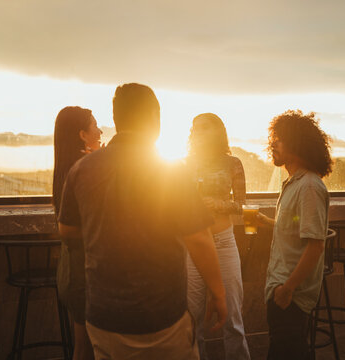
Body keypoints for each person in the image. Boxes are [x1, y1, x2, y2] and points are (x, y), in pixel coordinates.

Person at [57, 83, 227, 359]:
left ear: (116, 119)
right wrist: (219, 294)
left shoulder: (82, 169)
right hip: (160, 318)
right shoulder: (170, 171)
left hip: (103, 318)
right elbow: (198, 237)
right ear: (154, 119)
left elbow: (66, 229)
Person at [256, 110, 333, 360]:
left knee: (286, 350)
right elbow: (294, 229)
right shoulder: (294, 182)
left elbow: (315, 247)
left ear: (297, 143)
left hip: (291, 294)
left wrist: (287, 289)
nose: (273, 144)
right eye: (274, 138)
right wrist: (266, 222)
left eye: (280, 139)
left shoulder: (309, 186)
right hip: (280, 286)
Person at [186, 113, 251, 360]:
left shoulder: (233, 163)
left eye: (203, 128)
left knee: (233, 319)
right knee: (192, 320)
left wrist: (219, 204)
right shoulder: (184, 164)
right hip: (193, 245)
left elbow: (243, 205)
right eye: (194, 128)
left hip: (224, 242)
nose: (197, 132)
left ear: (217, 132)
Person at [52, 106, 102, 360]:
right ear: (82, 134)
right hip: (85, 272)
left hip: (71, 269)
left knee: (83, 347)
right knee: (88, 349)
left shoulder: (66, 168)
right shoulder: (84, 170)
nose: (101, 130)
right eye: (95, 125)